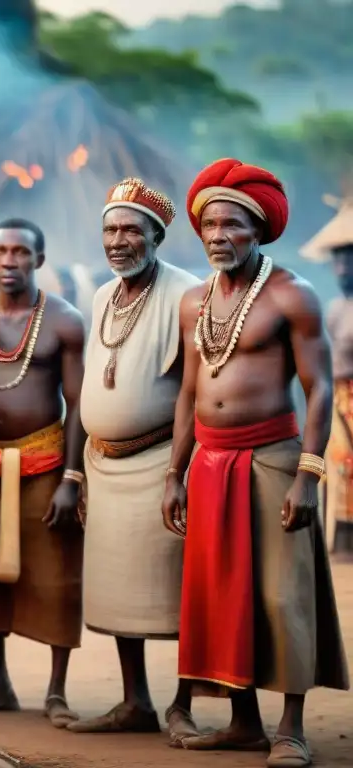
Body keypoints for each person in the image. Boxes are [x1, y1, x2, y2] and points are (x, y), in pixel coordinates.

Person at [163, 158, 349, 766]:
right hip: (210, 463)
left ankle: (291, 728)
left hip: (273, 459)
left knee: (281, 595)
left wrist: (309, 474)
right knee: (224, 596)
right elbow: (190, 392)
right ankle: (244, 723)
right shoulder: (194, 301)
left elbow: (318, 388)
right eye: (210, 224)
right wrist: (175, 473)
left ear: (259, 228)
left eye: (234, 224)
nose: (219, 235)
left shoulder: (293, 294)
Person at [69, 178, 202, 741]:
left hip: (159, 464)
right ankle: (134, 701)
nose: (118, 240)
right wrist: (78, 468)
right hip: (103, 464)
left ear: (156, 236)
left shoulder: (188, 294)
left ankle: (182, 705)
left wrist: (179, 471)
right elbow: (92, 389)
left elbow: (195, 392)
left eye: (131, 230)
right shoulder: (102, 295)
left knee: (176, 593)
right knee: (118, 594)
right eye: (110, 229)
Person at [0, 218, 86, 727]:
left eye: (21, 253)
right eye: (1, 251)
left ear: (39, 260)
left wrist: (72, 480)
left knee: (55, 576)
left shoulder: (65, 321)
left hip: (47, 462)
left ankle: (56, 690)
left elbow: (77, 404)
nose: (10, 261)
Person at [305, 199, 353, 556]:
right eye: (337, 258)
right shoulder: (335, 308)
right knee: (334, 470)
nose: (341, 266)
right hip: (336, 399)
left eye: (348, 257)